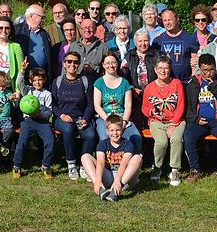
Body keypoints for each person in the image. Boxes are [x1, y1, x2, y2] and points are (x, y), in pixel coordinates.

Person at [183, 54, 217, 185]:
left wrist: (214, 88)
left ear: (215, 67)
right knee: (189, 138)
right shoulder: (194, 83)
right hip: (200, 120)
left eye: (211, 69)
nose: (208, 73)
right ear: (200, 69)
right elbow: (188, 109)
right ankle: (195, 170)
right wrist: (196, 119)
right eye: (204, 70)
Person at [52, 51, 97, 180]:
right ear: (64, 64)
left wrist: (85, 119)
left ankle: (85, 165)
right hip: (63, 118)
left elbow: (90, 105)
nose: (72, 64)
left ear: (79, 65)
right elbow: (53, 105)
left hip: (80, 117)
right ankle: (71, 163)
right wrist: (61, 116)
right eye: (69, 61)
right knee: (68, 129)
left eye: (75, 62)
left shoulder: (85, 81)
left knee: (91, 135)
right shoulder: (57, 81)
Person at [141, 56, 185, 186]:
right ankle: (157, 167)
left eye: (166, 68)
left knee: (176, 140)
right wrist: (151, 112)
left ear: (170, 69)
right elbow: (144, 107)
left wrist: (173, 124)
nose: (163, 71)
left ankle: (175, 169)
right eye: (160, 68)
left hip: (176, 120)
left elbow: (181, 105)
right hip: (157, 121)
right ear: (155, 70)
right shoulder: (149, 87)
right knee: (161, 142)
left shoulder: (177, 83)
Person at [81, 114, 142, 202]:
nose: (115, 133)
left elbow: (124, 164)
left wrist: (118, 181)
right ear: (107, 131)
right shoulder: (102, 144)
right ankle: (100, 188)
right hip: (108, 176)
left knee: (137, 157)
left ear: (122, 130)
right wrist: (98, 180)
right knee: (85, 157)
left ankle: (115, 191)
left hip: (125, 179)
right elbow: (100, 163)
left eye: (118, 130)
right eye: (112, 130)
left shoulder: (128, 144)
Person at [93, 53, 141, 153]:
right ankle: (108, 164)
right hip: (104, 118)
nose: (111, 65)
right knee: (104, 137)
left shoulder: (125, 83)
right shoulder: (99, 83)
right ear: (103, 65)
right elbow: (97, 106)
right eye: (107, 63)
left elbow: (128, 106)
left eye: (113, 62)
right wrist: (108, 121)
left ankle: (134, 163)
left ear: (117, 64)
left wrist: (124, 122)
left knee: (136, 137)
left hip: (121, 117)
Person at [12, 65, 55, 180]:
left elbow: (49, 112)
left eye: (40, 79)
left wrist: (40, 114)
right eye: (34, 80)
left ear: (44, 80)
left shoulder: (47, 94)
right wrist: (22, 71)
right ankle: (17, 165)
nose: (37, 82)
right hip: (28, 121)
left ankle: (46, 166)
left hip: (43, 122)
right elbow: (19, 83)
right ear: (31, 81)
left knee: (50, 141)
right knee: (22, 141)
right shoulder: (27, 90)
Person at [124, 27, 161, 131]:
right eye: (140, 41)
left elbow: (164, 73)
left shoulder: (157, 55)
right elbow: (123, 75)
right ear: (135, 42)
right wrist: (131, 88)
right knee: (138, 126)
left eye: (146, 40)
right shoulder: (129, 56)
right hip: (136, 96)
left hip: (154, 96)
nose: (143, 44)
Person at [152, 9, 199, 85]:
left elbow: (195, 62)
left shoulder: (189, 38)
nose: (167, 23)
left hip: (185, 83)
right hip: (165, 84)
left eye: (170, 20)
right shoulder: (157, 41)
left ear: (177, 19)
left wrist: (193, 80)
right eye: (165, 20)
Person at [14, 4, 51, 77]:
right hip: (25, 76)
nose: (43, 20)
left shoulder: (44, 33)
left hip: (41, 77)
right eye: (42, 17)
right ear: (31, 16)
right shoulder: (17, 31)